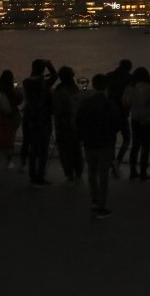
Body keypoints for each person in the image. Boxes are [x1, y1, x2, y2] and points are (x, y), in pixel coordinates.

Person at [74, 74, 124, 219]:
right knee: (103, 176)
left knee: (91, 172)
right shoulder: (110, 104)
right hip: (105, 143)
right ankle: (101, 205)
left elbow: (79, 122)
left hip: (89, 142)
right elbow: (116, 125)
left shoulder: (85, 103)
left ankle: (94, 200)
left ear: (93, 85)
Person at [22, 59, 58, 187]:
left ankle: (32, 177)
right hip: (42, 119)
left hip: (29, 118)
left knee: (33, 150)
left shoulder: (26, 82)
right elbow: (55, 75)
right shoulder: (42, 83)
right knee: (43, 151)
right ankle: (40, 177)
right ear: (43, 69)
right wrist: (50, 65)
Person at [124, 67, 150, 181]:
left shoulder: (130, 88)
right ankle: (143, 172)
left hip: (135, 118)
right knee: (146, 146)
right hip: (147, 119)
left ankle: (133, 171)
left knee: (135, 146)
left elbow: (125, 102)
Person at [52, 66, 84, 184]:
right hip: (75, 123)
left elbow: (57, 108)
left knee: (65, 150)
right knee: (76, 149)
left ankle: (69, 173)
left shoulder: (59, 90)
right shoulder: (75, 89)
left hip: (62, 124)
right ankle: (78, 172)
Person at [106, 59, 133, 178]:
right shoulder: (130, 79)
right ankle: (118, 161)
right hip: (123, 113)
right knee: (127, 139)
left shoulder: (109, 76)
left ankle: (112, 164)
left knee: (111, 140)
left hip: (110, 112)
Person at [0, 70, 23, 170]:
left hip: (1, 117)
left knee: (0, 138)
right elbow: (19, 100)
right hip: (12, 117)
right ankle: (8, 161)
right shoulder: (12, 91)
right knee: (10, 139)